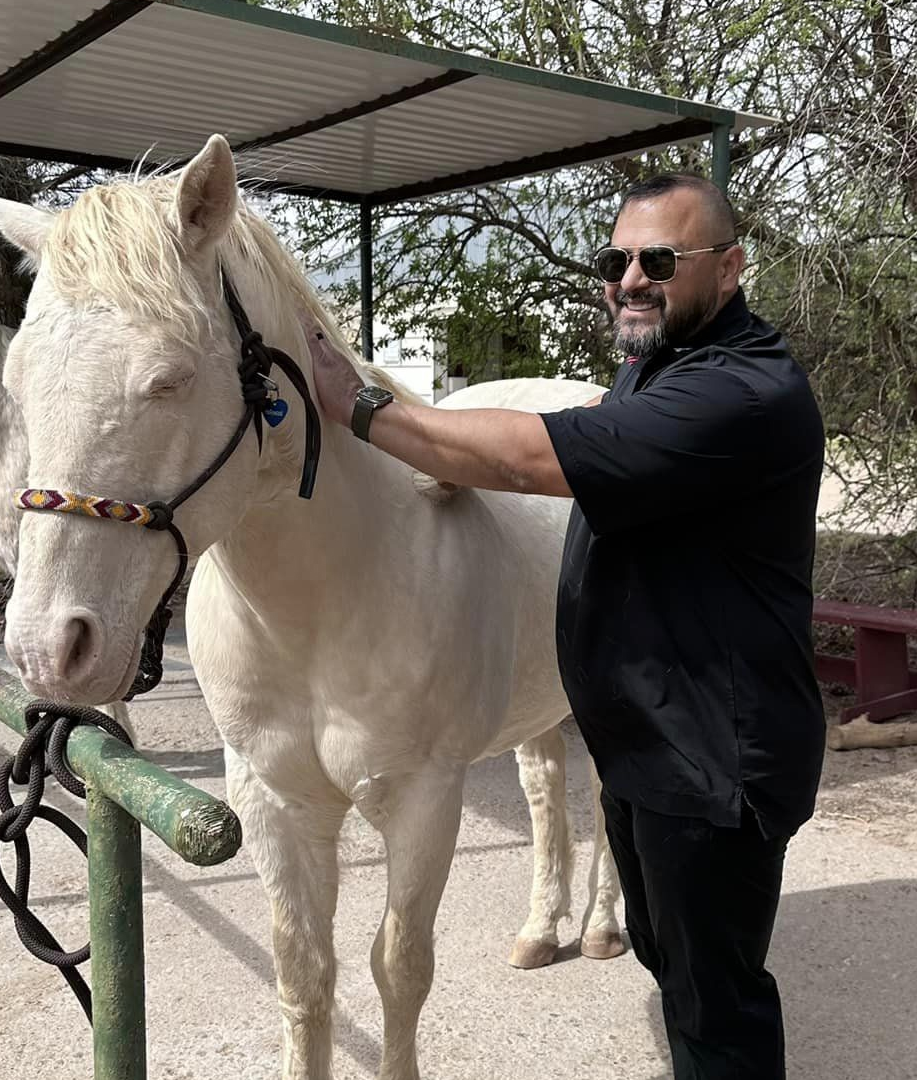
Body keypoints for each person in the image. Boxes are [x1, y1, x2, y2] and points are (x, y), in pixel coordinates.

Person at [307, 172, 825, 1080]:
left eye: (659, 259)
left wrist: (359, 404)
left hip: (711, 762)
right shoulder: (659, 365)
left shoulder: (740, 392)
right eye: (615, 259)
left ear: (732, 267)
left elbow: (538, 454)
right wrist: (462, 465)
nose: (630, 279)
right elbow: (586, 424)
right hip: (648, 748)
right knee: (678, 977)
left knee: (718, 1011)